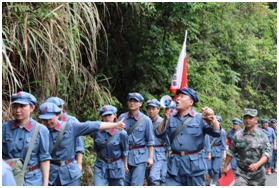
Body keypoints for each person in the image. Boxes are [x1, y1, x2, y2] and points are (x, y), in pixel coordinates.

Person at [38, 102, 125, 186]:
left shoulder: (70, 126)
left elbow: (92, 125)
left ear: (57, 115)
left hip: (69, 174)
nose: (48, 122)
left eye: (51, 119)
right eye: (45, 119)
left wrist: (115, 125)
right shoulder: (40, 131)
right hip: (50, 174)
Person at [156, 87, 221, 186]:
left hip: (194, 167)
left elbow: (216, 132)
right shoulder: (171, 117)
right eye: (178, 96)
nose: (177, 99)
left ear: (191, 102)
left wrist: (213, 119)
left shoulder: (200, 118)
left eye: (182, 96)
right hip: (174, 166)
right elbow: (159, 133)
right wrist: (166, 118)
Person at [2, 91, 51, 186]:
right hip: (10, 178)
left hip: (33, 180)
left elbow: (44, 158)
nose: (18, 110)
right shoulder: (4, 128)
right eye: (15, 106)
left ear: (32, 108)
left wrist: (45, 185)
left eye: (22, 106)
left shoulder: (41, 130)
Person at [222, 108, 271, 186]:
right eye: (245, 118)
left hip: (258, 176)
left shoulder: (262, 136)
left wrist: (257, 164)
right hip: (241, 174)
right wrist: (225, 166)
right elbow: (231, 152)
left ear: (255, 119)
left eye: (250, 118)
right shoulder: (237, 135)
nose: (247, 120)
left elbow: (267, 154)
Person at [118, 93, 154, 186]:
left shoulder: (146, 120)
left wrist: (150, 157)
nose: (132, 103)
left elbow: (150, 141)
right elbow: (116, 137)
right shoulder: (122, 118)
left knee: (136, 184)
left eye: (135, 101)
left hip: (139, 157)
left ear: (140, 104)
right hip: (124, 156)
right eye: (130, 101)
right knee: (123, 183)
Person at [92, 105, 129, 186]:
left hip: (116, 166)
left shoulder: (121, 133)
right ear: (101, 116)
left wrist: (125, 165)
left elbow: (125, 151)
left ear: (115, 115)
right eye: (104, 115)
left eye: (109, 115)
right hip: (101, 166)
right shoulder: (97, 132)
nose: (107, 118)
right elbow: (96, 149)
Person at [46, 97, 85, 173]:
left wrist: (79, 163)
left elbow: (79, 145)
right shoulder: (47, 123)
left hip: (69, 164)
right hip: (52, 167)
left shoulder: (72, 122)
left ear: (62, 107)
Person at [145, 99, 170, 186]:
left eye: (153, 108)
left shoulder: (162, 121)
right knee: (149, 177)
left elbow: (167, 137)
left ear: (158, 109)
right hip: (146, 152)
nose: (151, 111)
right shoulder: (144, 121)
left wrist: (169, 150)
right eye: (149, 108)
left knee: (154, 177)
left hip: (159, 152)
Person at [207, 116, 226, 186]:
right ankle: (212, 178)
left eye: (218, 121)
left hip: (218, 151)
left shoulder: (222, 132)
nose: (216, 122)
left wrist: (224, 154)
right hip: (209, 151)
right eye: (215, 121)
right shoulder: (209, 130)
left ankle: (214, 182)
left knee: (216, 169)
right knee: (208, 168)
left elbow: (224, 144)